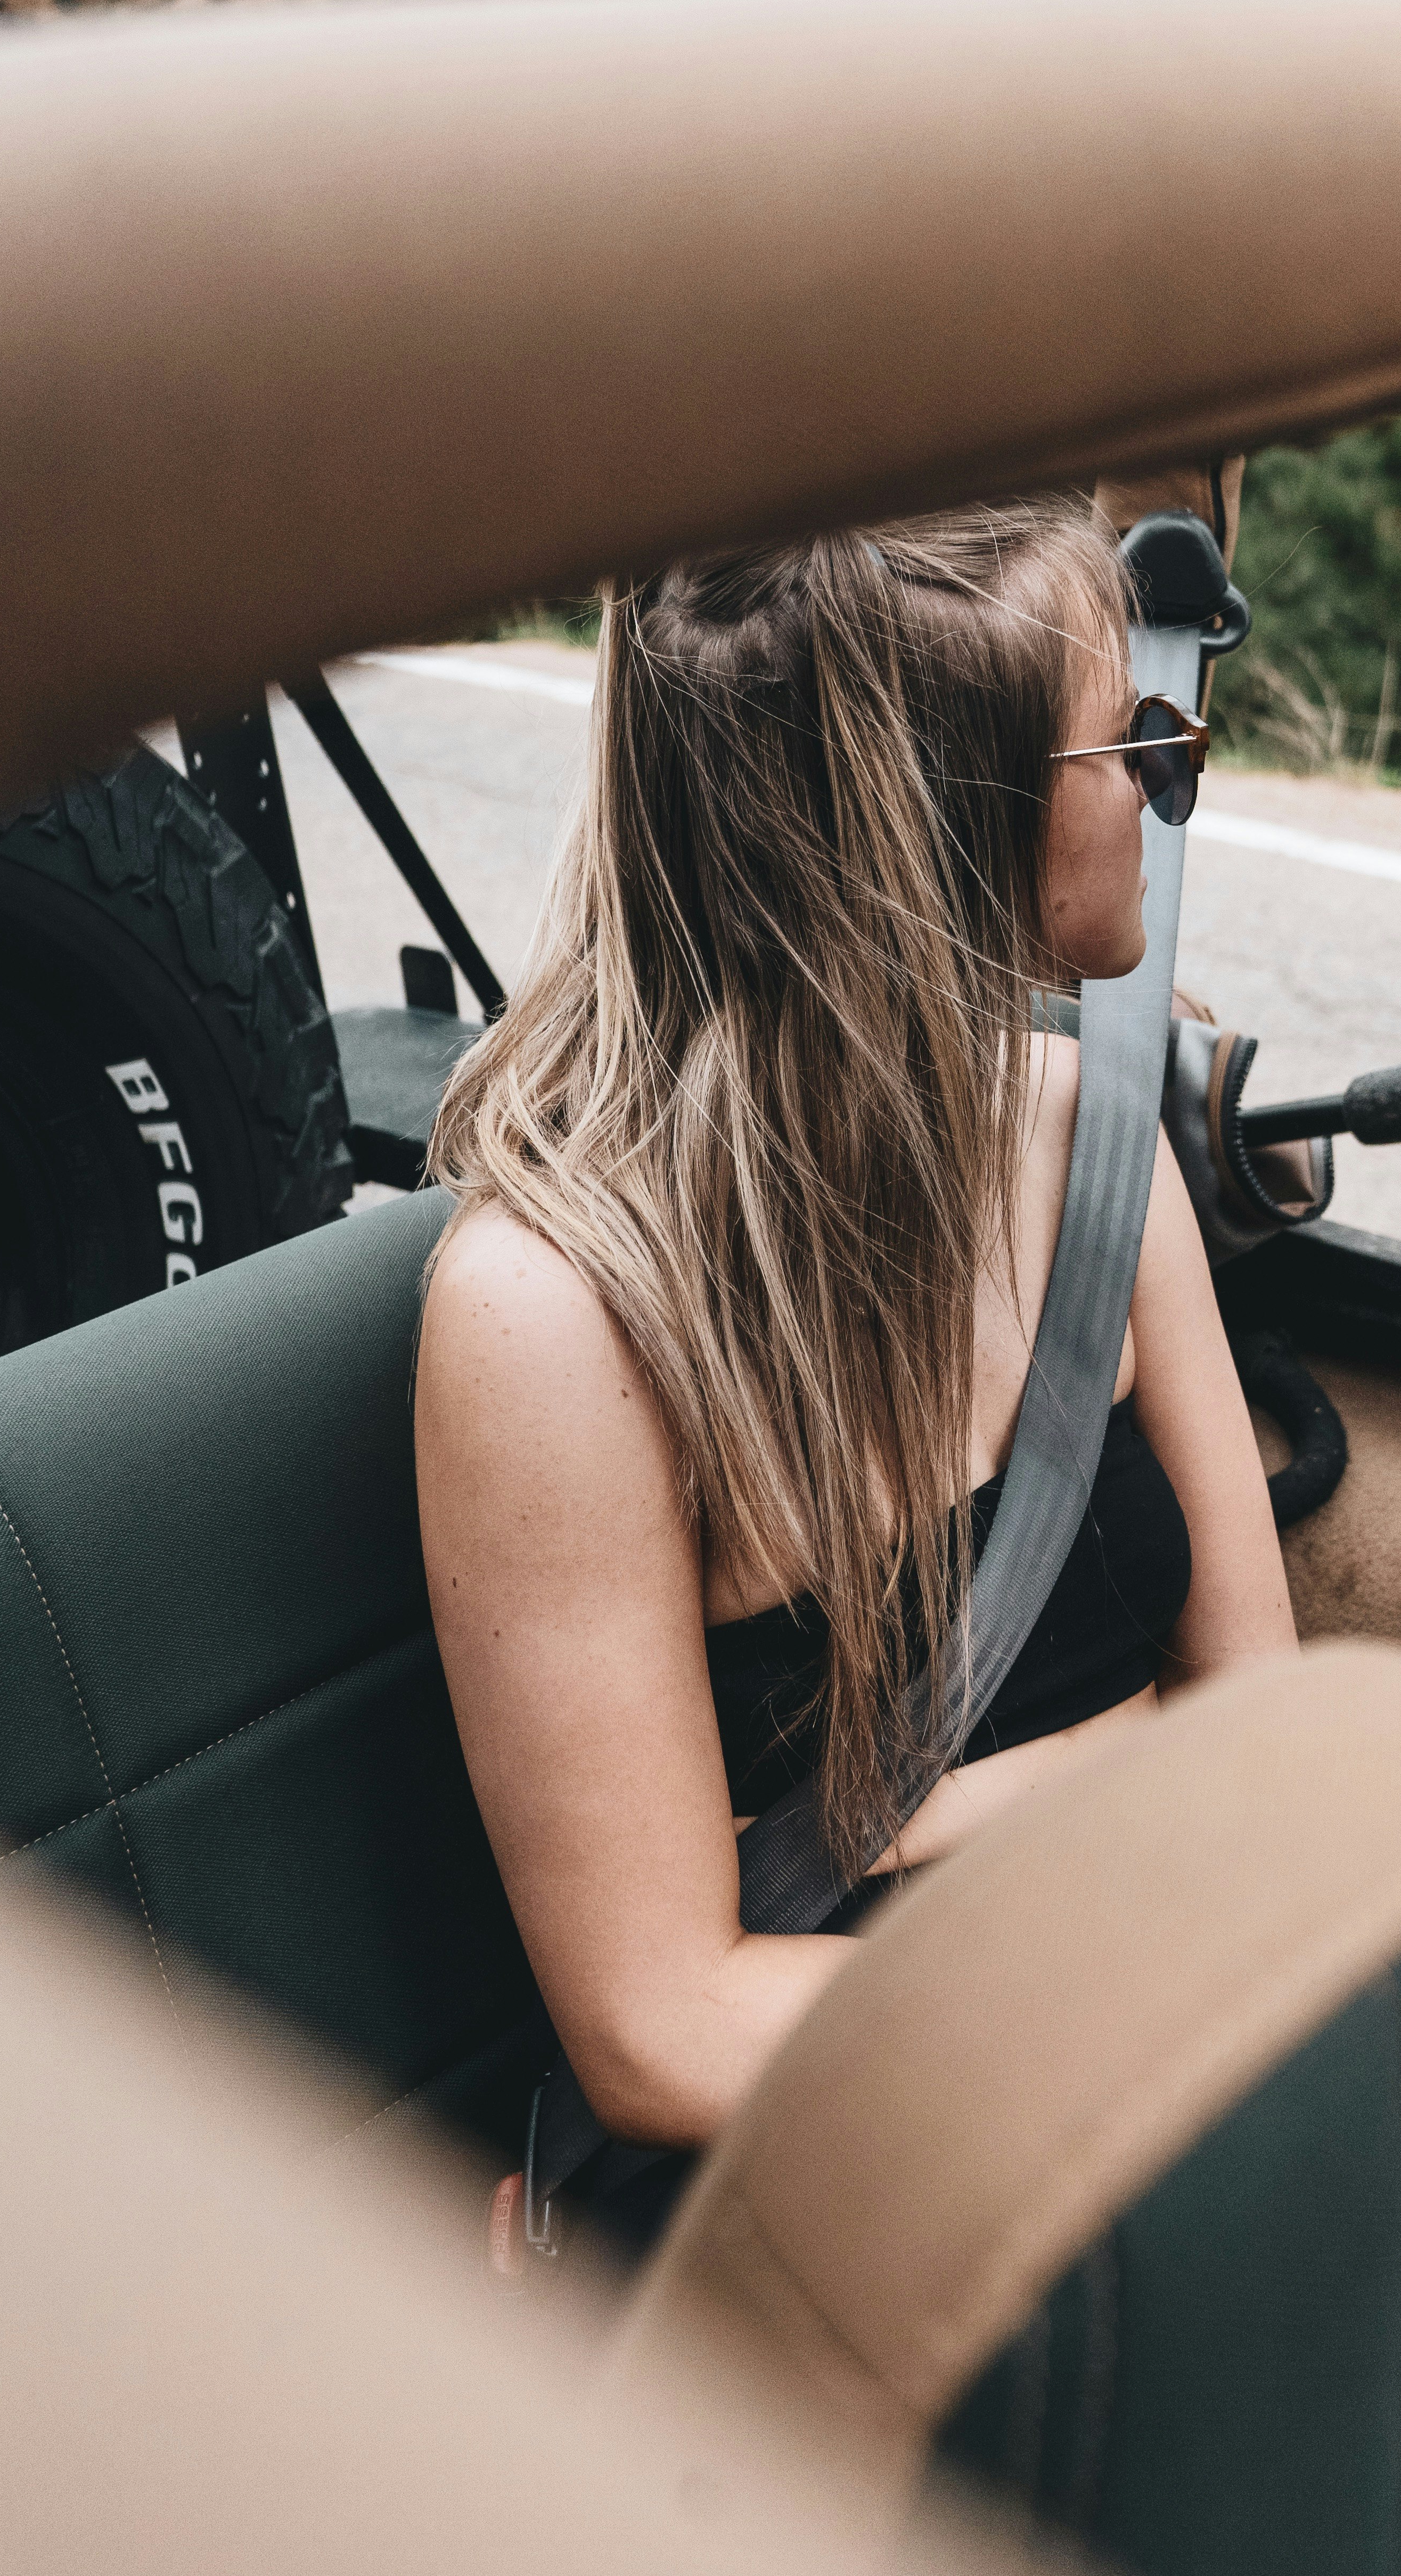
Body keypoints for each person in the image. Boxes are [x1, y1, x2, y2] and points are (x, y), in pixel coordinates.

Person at [415, 497, 1296, 2245]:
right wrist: (1142, 2045)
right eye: (1127, 735)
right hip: (859, 2137)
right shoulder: (554, 1314)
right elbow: (664, 2030)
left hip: (1172, 1982)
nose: (1161, 777)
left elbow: (1261, 1721)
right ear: (942, 820)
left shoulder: (1082, 1140)